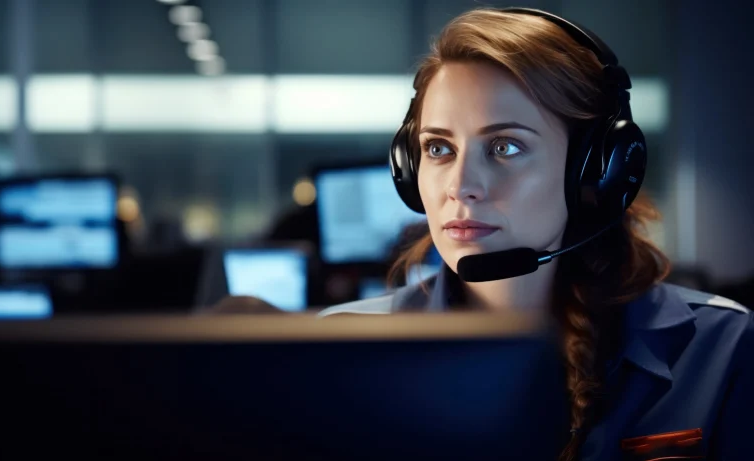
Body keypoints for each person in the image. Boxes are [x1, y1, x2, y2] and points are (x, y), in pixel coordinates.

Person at [318, 7, 752, 461]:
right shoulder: (339, 351)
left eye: (505, 146)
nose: (460, 185)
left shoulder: (719, 346)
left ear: (596, 172)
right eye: (438, 148)